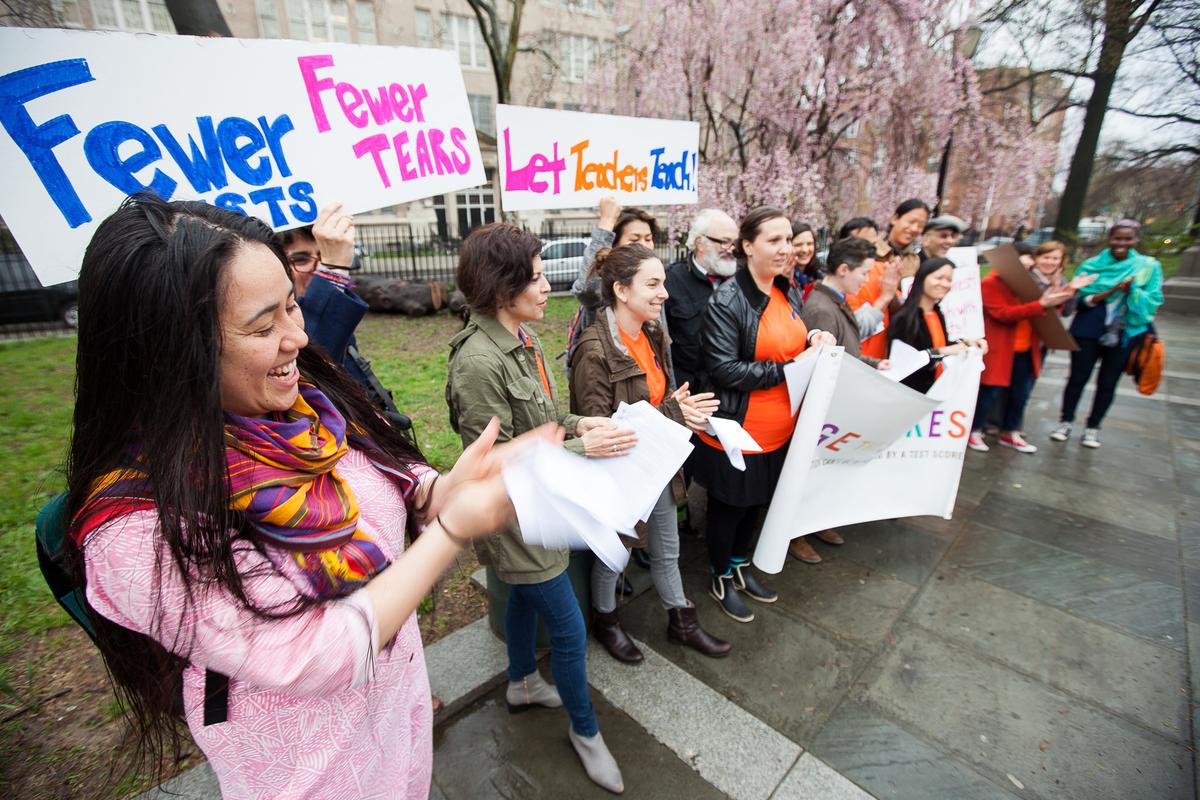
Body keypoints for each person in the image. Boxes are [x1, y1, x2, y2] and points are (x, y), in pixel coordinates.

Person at [67, 194, 534, 800]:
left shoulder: (298, 400)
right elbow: (314, 653)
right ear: (168, 354)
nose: (299, 335)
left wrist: (439, 491)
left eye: (293, 303)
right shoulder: (136, 527)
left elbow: (380, 472)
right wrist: (450, 533)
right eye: (263, 326)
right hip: (311, 766)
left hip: (396, 705)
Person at [446, 222, 632, 794]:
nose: (549, 286)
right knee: (571, 634)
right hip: (518, 518)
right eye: (538, 276)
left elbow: (543, 422)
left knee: (524, 602)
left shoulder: (521, 340)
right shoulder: (479, 363)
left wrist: (582, 424)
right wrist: (583, 446)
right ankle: (585, 732)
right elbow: (493, 461)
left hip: (543, 506)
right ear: (504, 288)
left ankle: (522, 682)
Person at [569, 245, 731, 662]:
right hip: (618, 474)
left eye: (663, 283)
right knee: (615, 553)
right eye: (653, 284)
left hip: (653, 463)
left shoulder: (653, 333)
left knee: (667, 545)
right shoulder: (594, 350)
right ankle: (606, 620)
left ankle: (682, 620)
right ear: (622, 290)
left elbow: (656, 398)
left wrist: (682, 410)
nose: (665, 294)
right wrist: (674, 413)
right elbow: (598, 429)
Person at [695, 207, 837, 622]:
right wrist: (791, 368)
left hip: (782, 428)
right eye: (773, 240)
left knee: (756, 505)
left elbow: (789, 338)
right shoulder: (727, 300)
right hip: (740, 430)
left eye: (788, 239)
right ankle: (721, 576)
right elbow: (724, 368)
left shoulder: (784, 289)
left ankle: (740, 566)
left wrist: (812, 335)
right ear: (746, 246)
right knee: (730, 509)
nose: (785, 248)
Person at [792, 236, 892, 563]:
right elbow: (828, 361)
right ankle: (795, 533)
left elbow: (845, 352)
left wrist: (876, 364)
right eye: (863, 273)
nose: (867, 280)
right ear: (844, 269)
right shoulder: (821, 307)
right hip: (825, 407)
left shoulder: (834, 299)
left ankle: (815, 523)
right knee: (807, 473)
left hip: (838, 401)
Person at [277, 203, 401, 420]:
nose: (318, 270)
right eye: (301, 259)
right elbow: (312, 366)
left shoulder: (334, 313)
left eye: (325, 257)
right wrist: (333, 269)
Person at [1050, 220, 1163, 448]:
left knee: (1108, 382)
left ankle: (1093, 427)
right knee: (1077, 378)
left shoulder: (1148, 267)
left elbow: (1153, 301)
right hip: (1088, 330)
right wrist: (1109, 292)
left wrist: (1133, 291)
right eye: (1117, 238)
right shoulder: (1092, 265)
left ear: (1135, 240)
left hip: (1126, 332)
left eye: (1127, 239)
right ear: (1110, 238)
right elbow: (1076, 300)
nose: (1121, 243)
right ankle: (1066, 421)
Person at [967, 254, 1077, 454]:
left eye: (1027, 267)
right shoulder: (991, 283)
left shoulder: (1029, 284)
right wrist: (1041, 304)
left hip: (1026, 346)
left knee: (1021, 393)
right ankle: (974, 430)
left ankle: (1011, 430)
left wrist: (1057, 293)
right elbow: (1002, 313)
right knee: (989, 391)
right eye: (1021, 266)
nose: (1024, 271)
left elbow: (1051, 308)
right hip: (1001, 347)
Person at [569, 197, 660, 356]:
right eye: (634, 239)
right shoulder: (605, 284)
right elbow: (587, 289)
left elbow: (662, 348)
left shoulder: (656, 283)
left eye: (648, 239)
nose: (644, 245)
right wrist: (606, 222)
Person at [663, 208, 740, 392]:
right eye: (724, 242)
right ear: (700, 243)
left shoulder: (743, 279)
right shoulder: (671, 281)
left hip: (736, 390)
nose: (731, 249)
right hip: (692, 394)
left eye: (734, 242)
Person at [887, 257, 988, 394]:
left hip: (935, 391)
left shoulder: (936, 313)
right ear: (922, 278)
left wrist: (965, 343)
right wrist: (946, 350)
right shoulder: (904, 318)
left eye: (949, 280)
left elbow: (938, 344)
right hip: (911, 395)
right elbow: (905, 362)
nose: (945, 284)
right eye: (939, 278)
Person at [848, 198, 929, 359]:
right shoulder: (870, 249)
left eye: (920, 225)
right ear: (895, 218)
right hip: (865, 326)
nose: (914, 229)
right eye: (911, 221)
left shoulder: (914, 260)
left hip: (895, 333)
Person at [789, 221, 822, 292]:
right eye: (798, 245)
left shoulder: (819, 275)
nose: (805, 250)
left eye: (809, 244)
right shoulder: (784, 280)